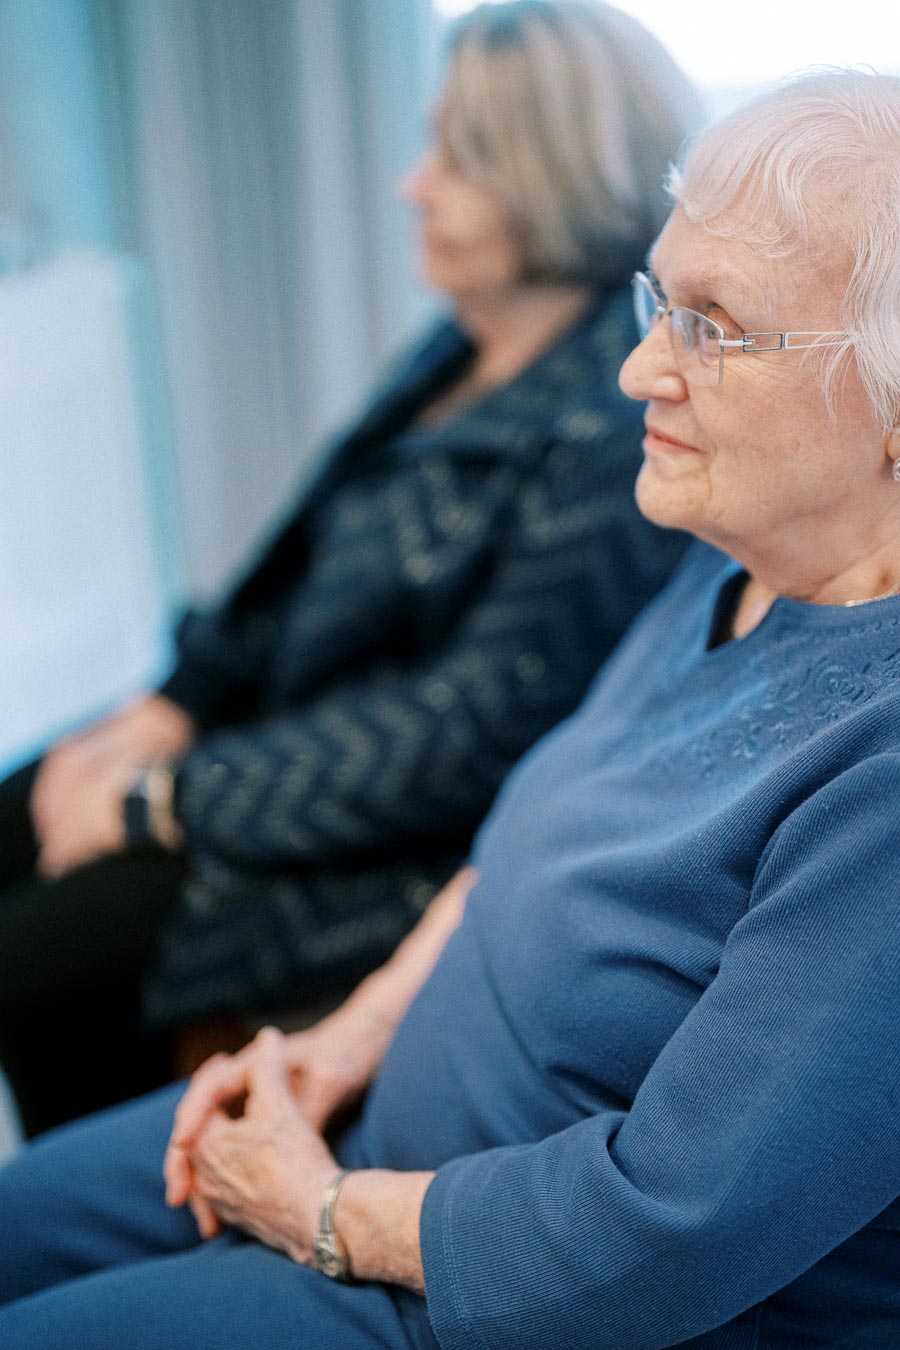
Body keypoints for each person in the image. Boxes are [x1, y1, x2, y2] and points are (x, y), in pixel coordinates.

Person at [0, 1, 698, 1136]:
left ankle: (103, 1231)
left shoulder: (606, 427)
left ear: (551, 179)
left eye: (455, 160)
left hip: (392, 846)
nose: (411, 186)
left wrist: (163, 800)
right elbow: (293, 559)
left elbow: (455, 739)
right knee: (19, 803)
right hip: (283, 759)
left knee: (37, 965)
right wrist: (168, 709)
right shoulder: (460, 347)